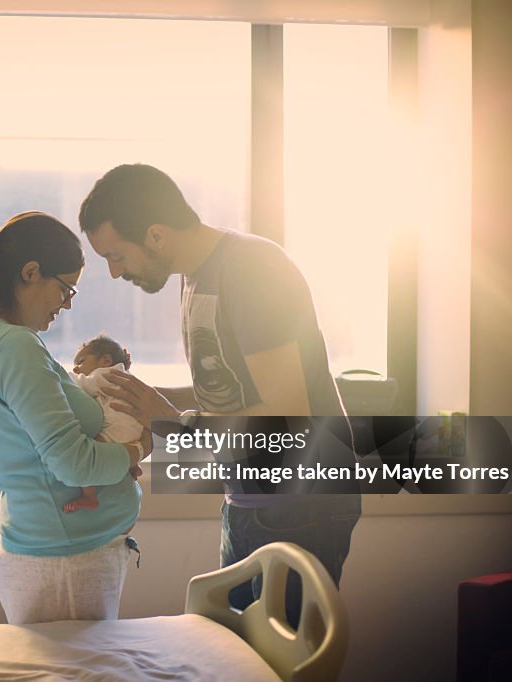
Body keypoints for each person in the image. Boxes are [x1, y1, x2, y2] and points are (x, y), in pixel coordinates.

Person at [77, 163, 361, 627]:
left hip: (301, 502)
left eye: (116, 255)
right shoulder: (195, 276)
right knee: (242, 655)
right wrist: (138, 397)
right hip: (249, 499)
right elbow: (229, 390)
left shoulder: (252, 270)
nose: (113, 273)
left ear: (156, 235)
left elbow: (284, 416)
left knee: (279, 662)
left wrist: (169, 421)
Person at [0, 211, 150, 625]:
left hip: (61, 550)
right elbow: (72, 462)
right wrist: (137, 450)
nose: (68, 303)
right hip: (66, 559)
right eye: (66, 288)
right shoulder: (15, 347)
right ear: (30, 273)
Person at [65, 334, 145, 513]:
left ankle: (89, 495)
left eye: (81, 361)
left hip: (119, 430)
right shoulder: (123, 375)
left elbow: (79, 385)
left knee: (87, 457)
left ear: (106, 360)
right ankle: (132, 466)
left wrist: (60, 375)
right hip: (133, 430)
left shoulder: (105, 374)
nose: (76, 369)